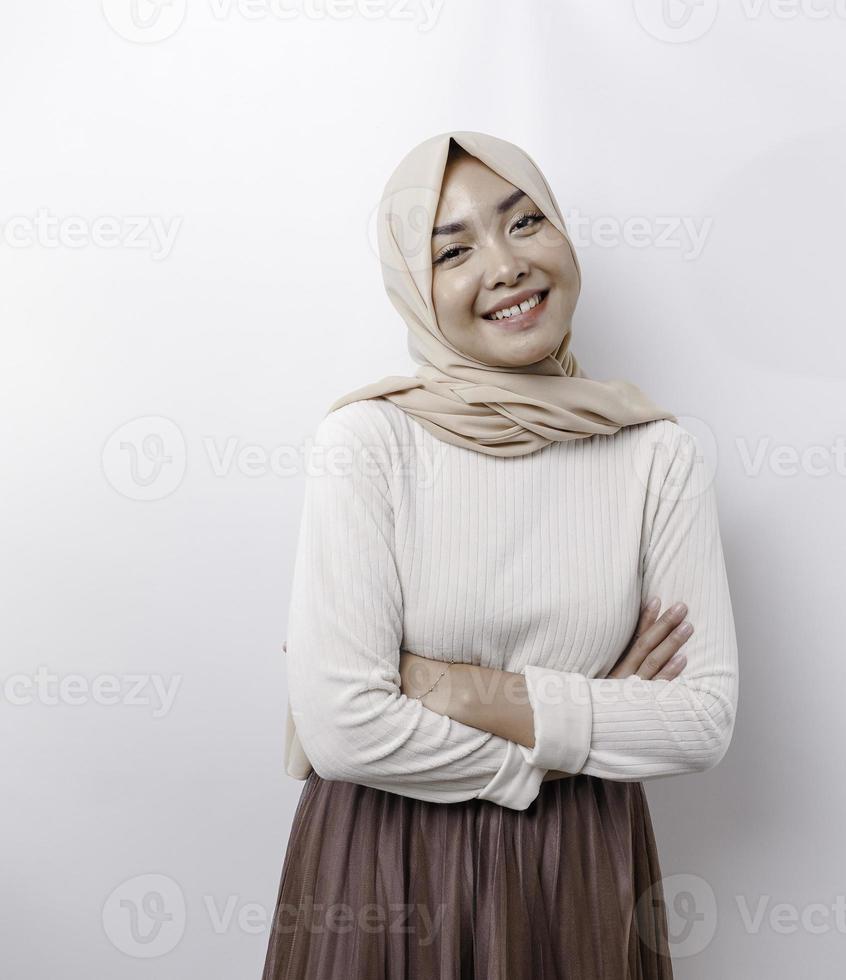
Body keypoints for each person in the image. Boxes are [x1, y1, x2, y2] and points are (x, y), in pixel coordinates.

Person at [261, 130, 739, 979]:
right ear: (415, 287)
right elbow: (341, 729)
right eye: (453, 251)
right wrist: (574, 733)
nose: (506, 265)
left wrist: (449, 686)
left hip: (577, 869)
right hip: (384, 865)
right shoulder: (367, 443)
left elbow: (700, 721)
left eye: (525, 224)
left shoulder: (655, 455)